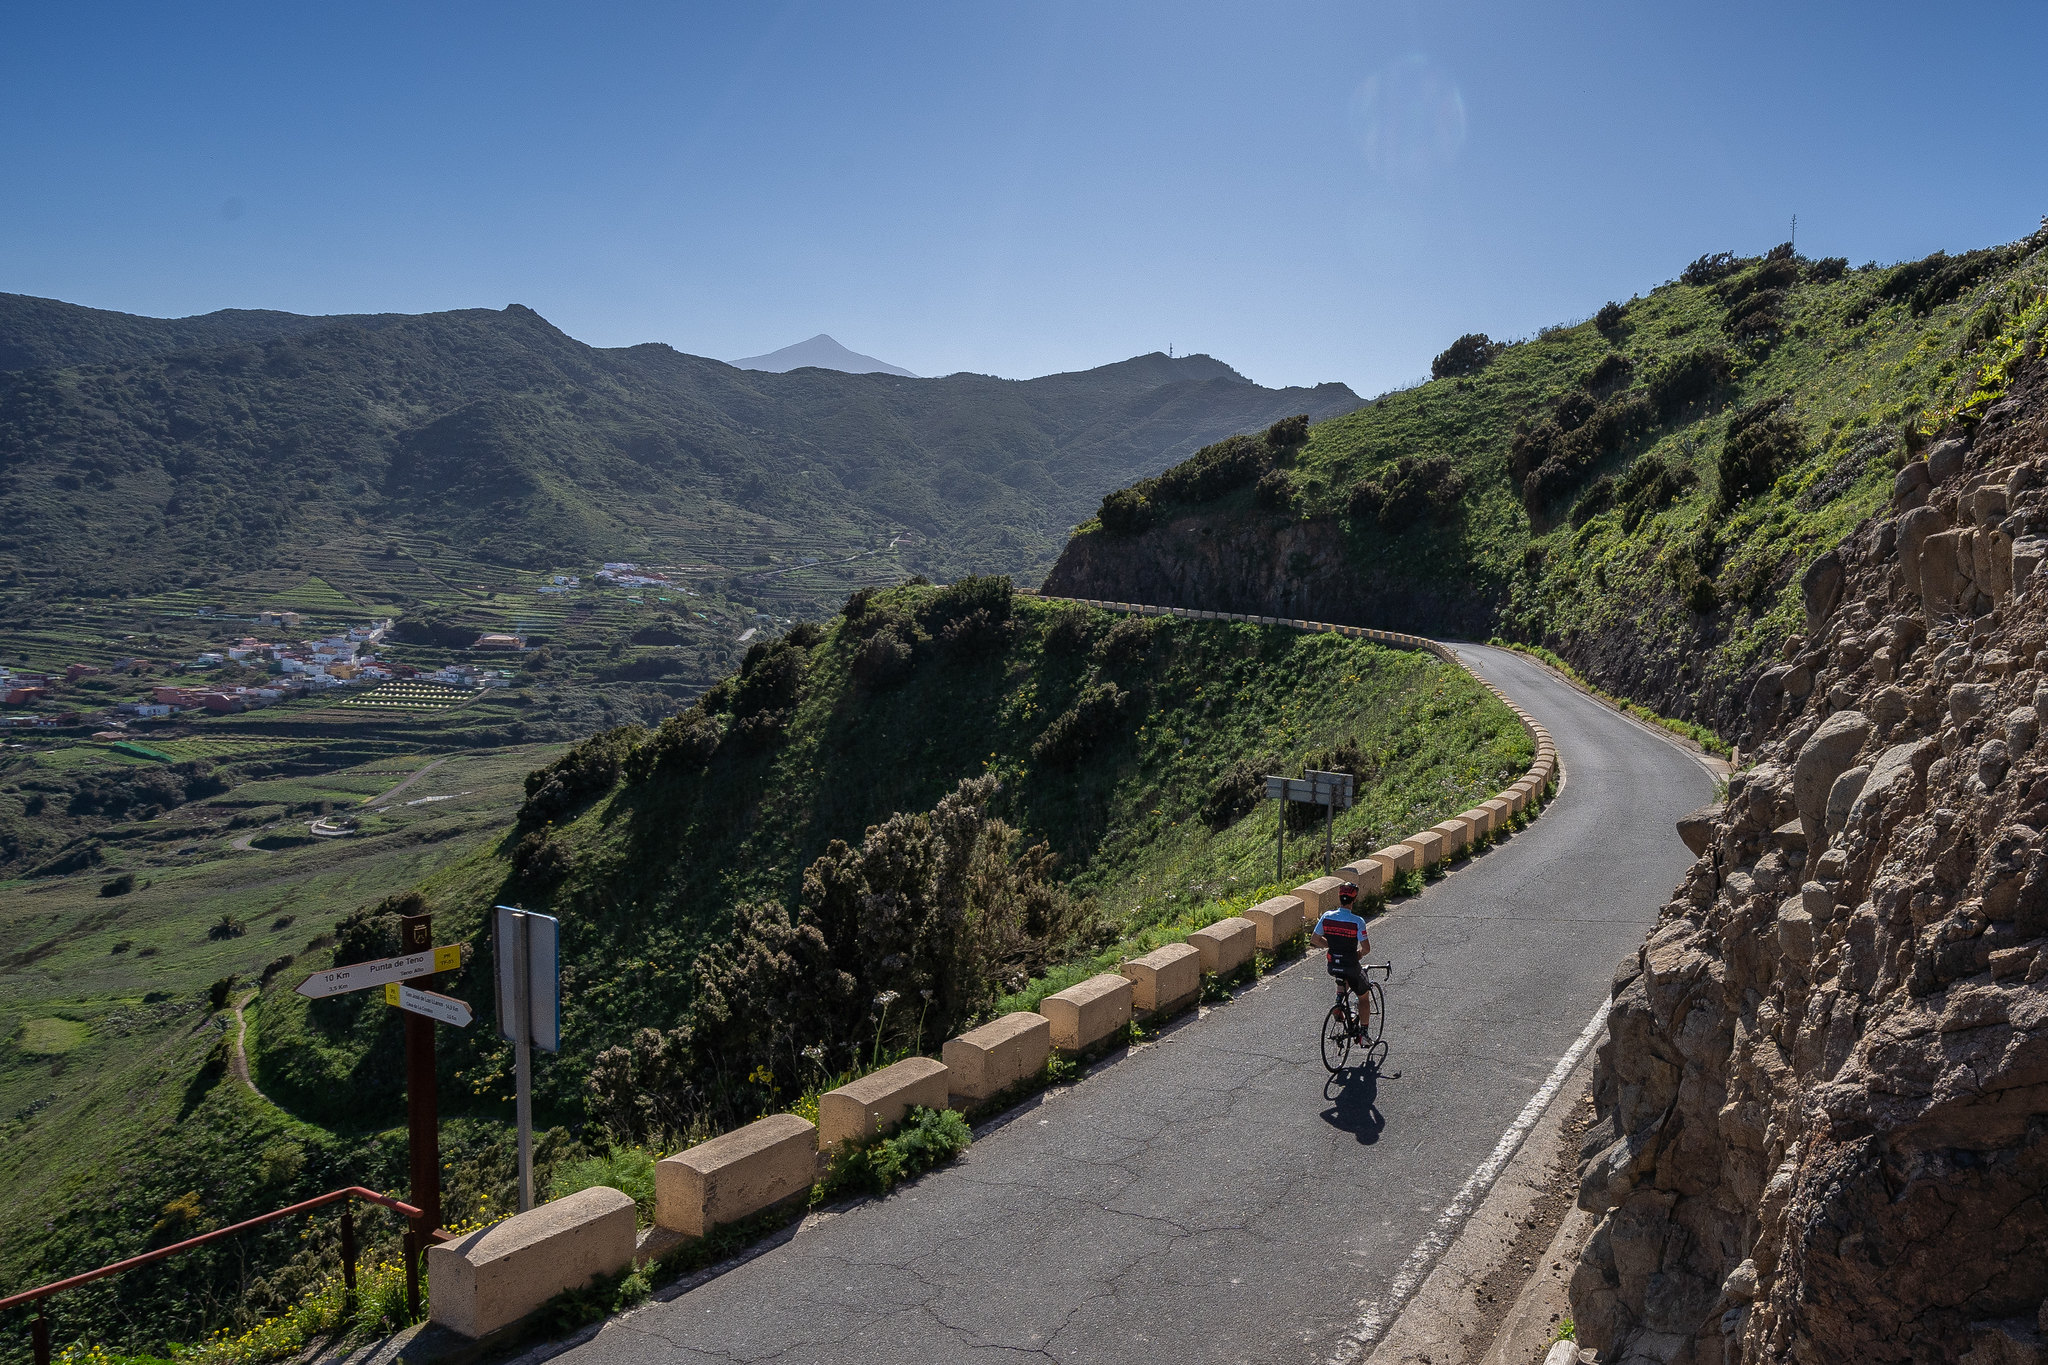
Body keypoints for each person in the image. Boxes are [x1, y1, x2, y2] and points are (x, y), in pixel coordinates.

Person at [1309, 882, 1373, 1038]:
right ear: (1354, 899)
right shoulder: (1358, 921)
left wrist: (1331, 945)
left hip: (1333, 965)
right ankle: (1364, 1034)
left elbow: (1315, 939)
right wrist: (1359, 955)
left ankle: (1339, 1002)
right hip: (1350, 964)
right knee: (1364, 996)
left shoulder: (1326, 917)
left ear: (1340, 898)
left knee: (1341, 978)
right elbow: (1366, 948)